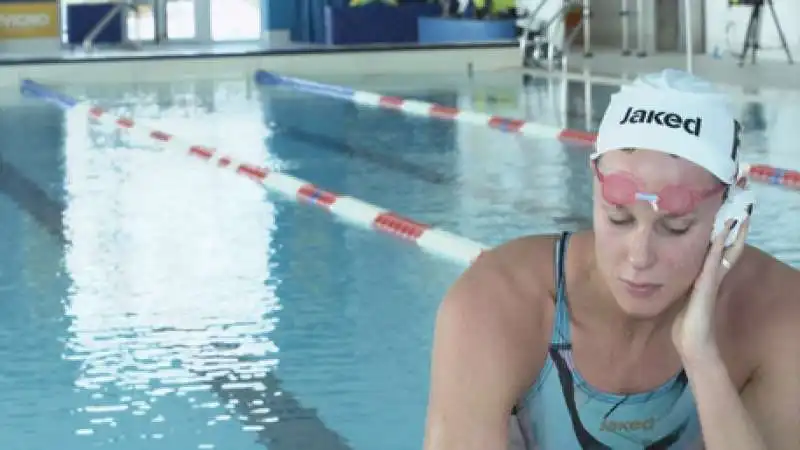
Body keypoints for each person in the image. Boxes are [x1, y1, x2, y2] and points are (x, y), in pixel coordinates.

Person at [422, 69, 800, 450]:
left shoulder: (780, 314)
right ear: (593, 183)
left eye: (676, 227)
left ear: (731, 210)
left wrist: (702, 358)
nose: (639, 256)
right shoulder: (498, 302)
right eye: (619, 218)